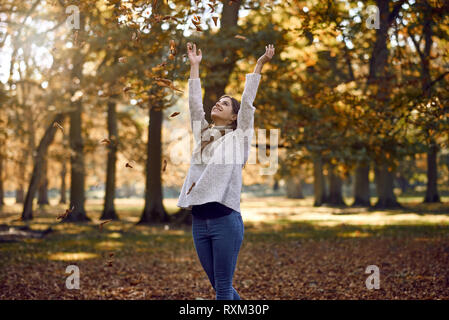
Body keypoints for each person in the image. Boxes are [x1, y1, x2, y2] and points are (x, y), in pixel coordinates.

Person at [177, 42, 275, 300]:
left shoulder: (239, 137)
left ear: (234, 117)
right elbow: (194, 104)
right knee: (221, 287)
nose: (219, 104)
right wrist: (194, 66)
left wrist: (259, 64)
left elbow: (247, 101)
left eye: (225, 103)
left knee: (222, 287)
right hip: (199, 221)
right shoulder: (204, 135)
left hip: (225, 221)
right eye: (218, 101)